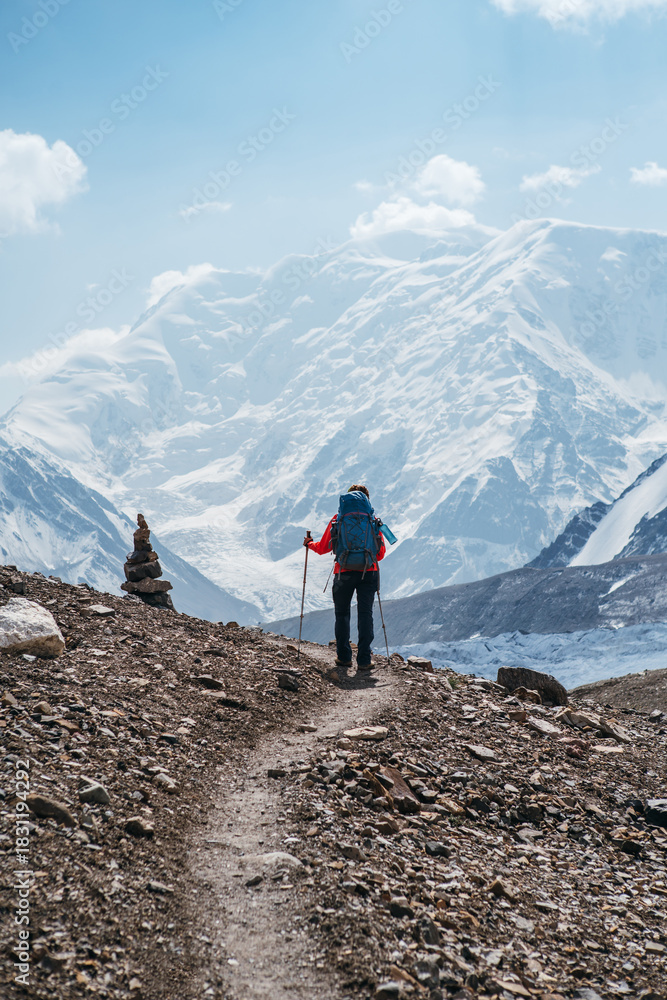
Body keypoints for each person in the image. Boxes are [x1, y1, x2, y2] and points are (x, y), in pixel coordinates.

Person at [304, 484, 386, 672]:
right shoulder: (372, 520)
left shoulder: (338, 519)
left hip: (343, 572)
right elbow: (380, 554)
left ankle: (344, 657)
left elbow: (324, 547)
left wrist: (310, 544)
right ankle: (364, 659)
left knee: (342, 614)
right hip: (369, 572)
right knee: (366, 615)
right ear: (367, 500)